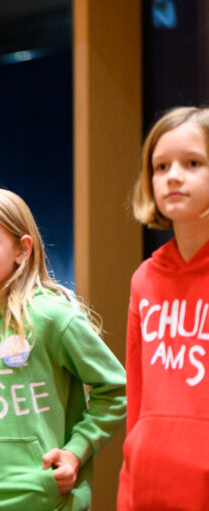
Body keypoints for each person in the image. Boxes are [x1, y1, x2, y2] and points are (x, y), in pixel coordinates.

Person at [0, 187, 126, 510]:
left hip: (41, 497)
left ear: (22, 249)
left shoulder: (52, 316)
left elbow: (116, 390)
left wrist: (76, 450)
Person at [118, 106, 209, 510]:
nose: (173, 176)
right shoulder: (144, 278)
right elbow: (136, 397)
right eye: (160, 166)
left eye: (193, 163)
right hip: (150, 481)